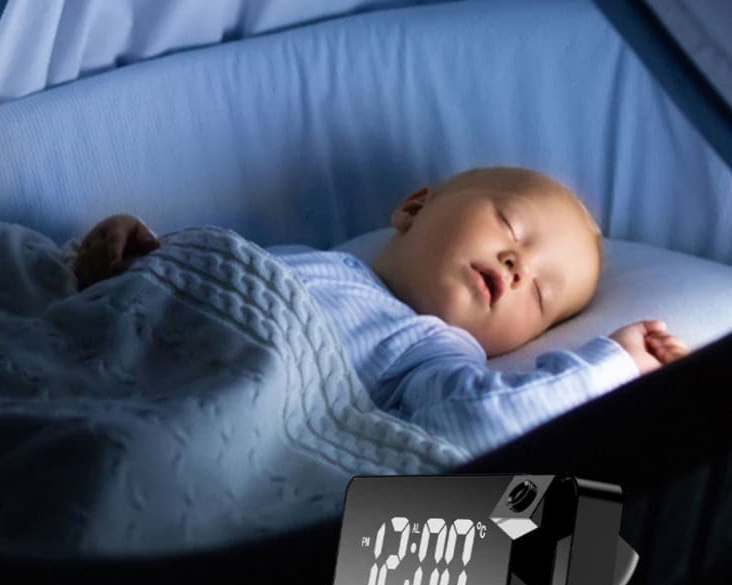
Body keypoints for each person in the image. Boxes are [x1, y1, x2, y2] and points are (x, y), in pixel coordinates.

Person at [63, 166, 690, 458]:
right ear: (414, 208)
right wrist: (135, 250)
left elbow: (486, 419)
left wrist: (614, 365)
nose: (518, 265)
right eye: (510, 225)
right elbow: (198, 281)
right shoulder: (303, 259)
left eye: (541, 295)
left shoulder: (432, 349)